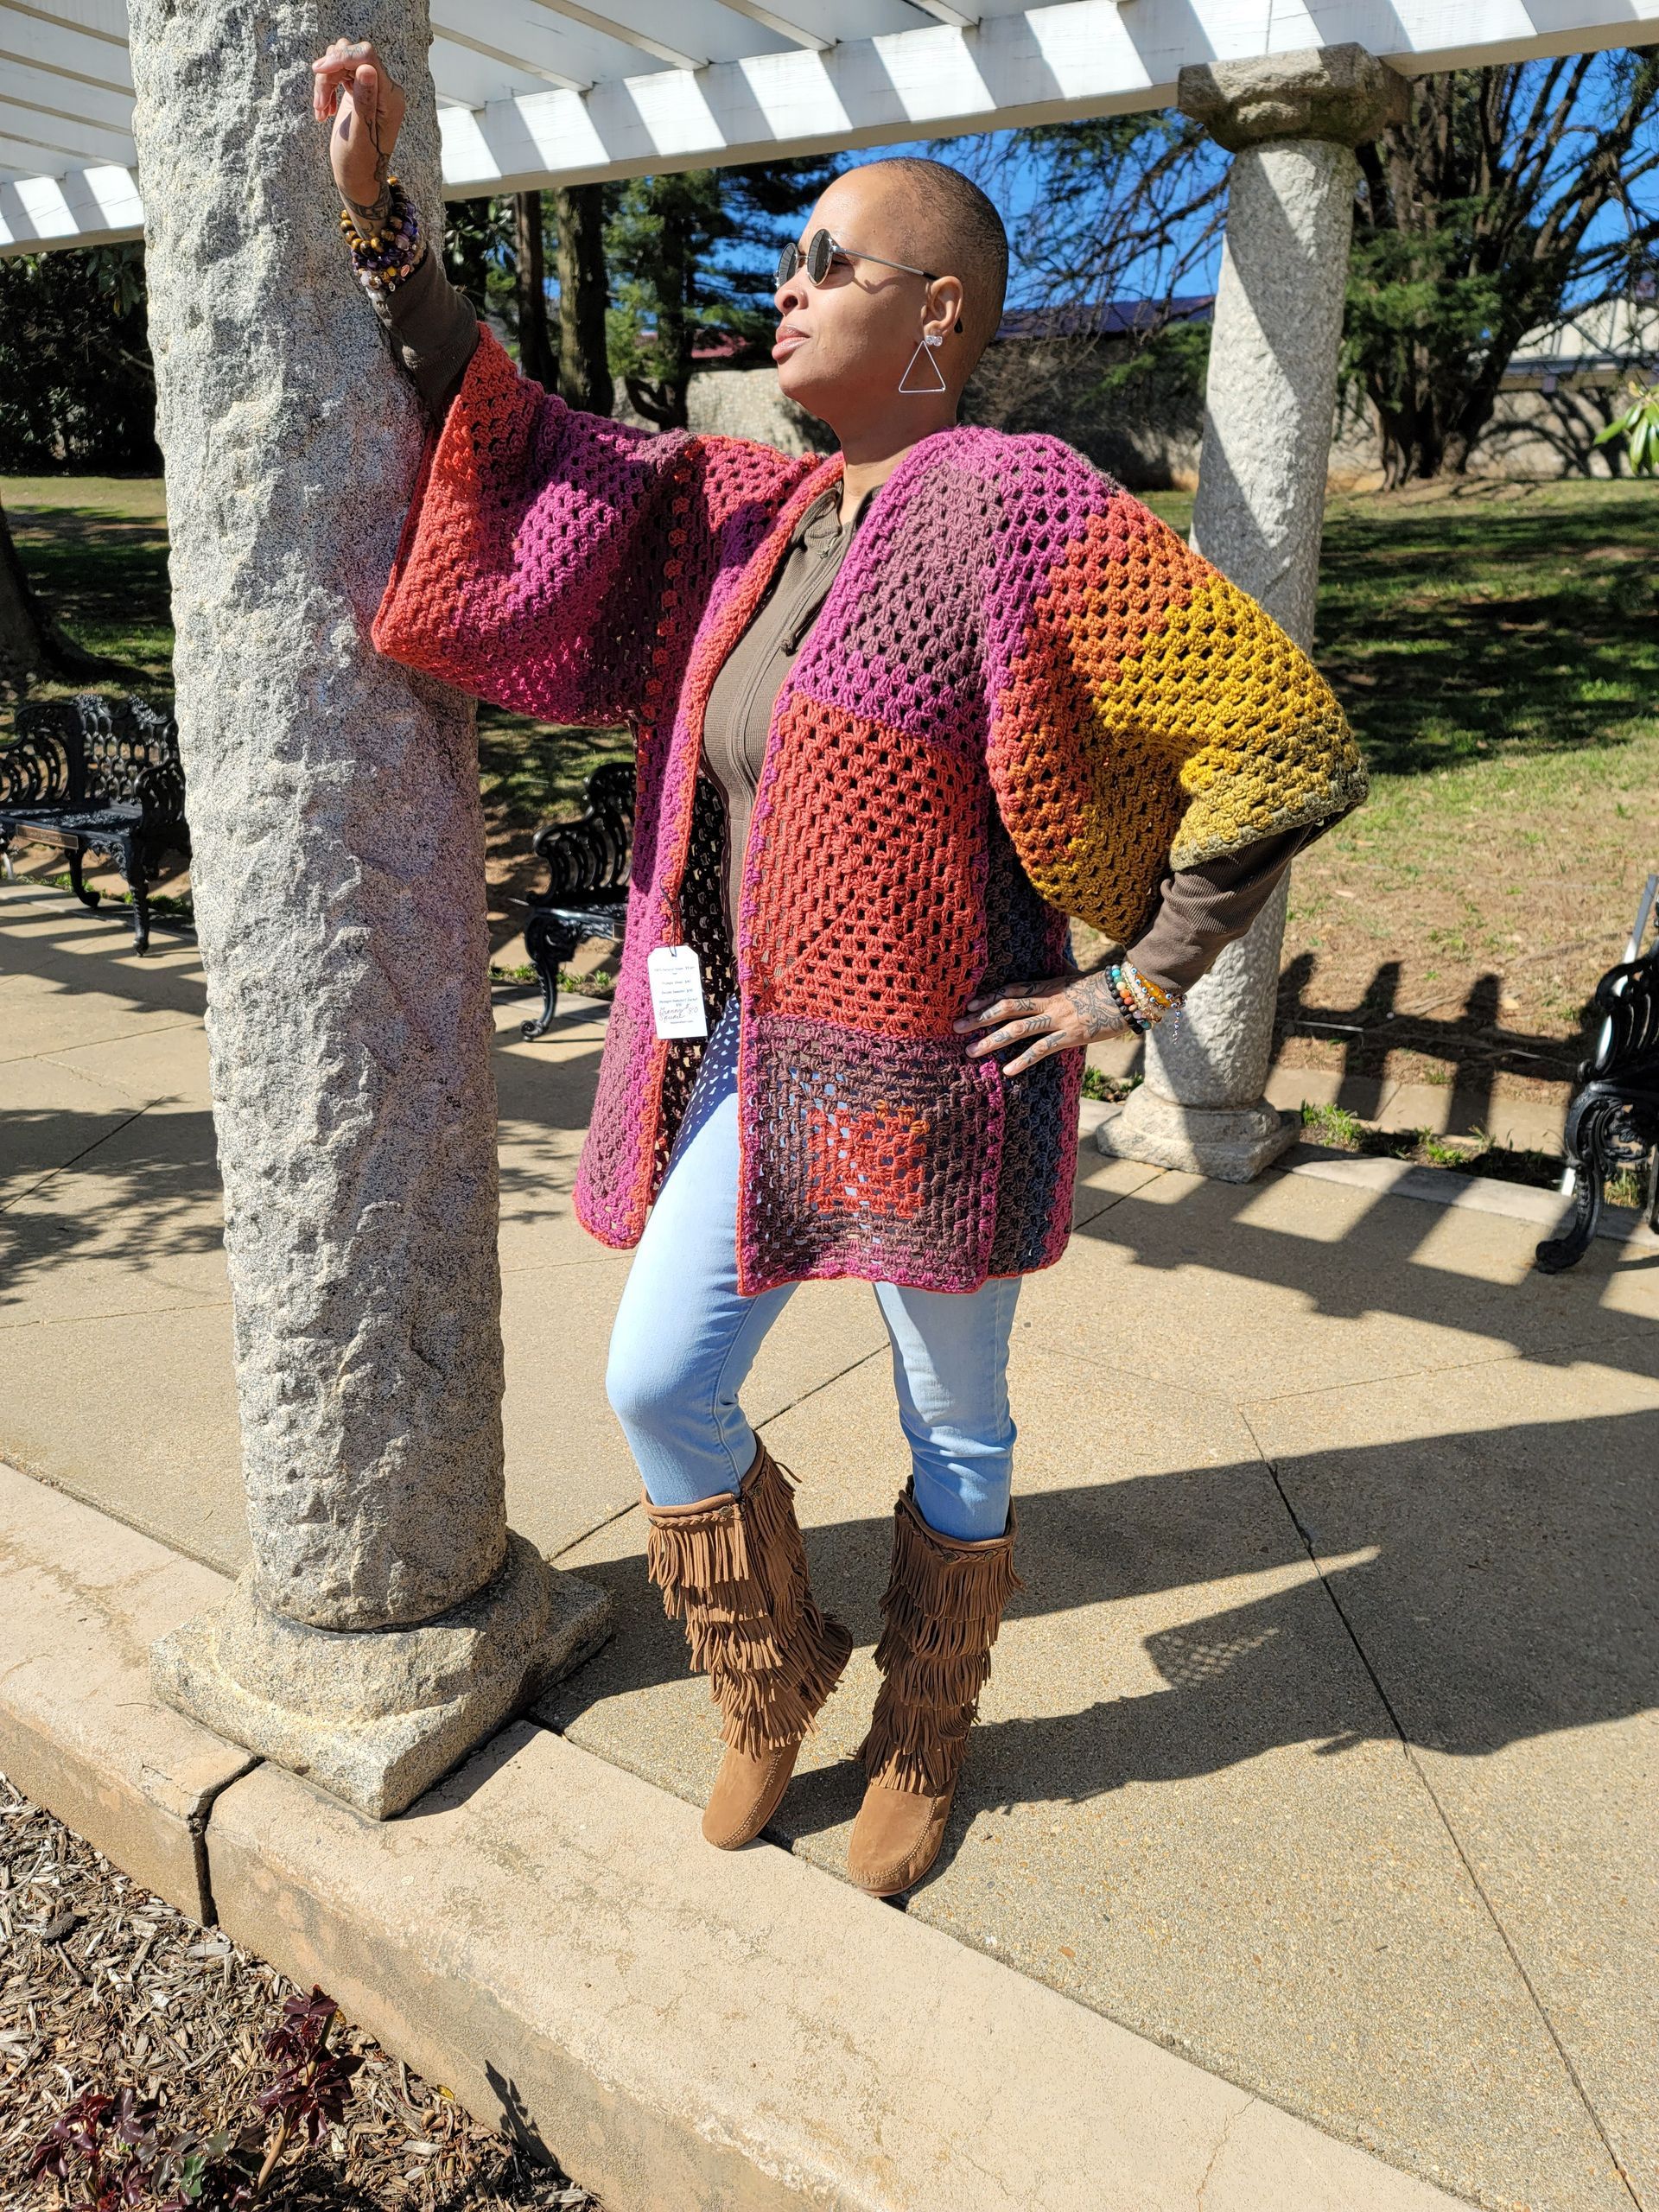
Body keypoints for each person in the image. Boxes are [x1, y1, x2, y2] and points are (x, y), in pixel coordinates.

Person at [313, 38, 1367, 1897]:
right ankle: (766, 1671)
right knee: (658, 1380)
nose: (783, 288)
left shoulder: (1011, 500)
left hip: (939, 1083)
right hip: (742, 1057)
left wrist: (1128, 986)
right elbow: (526, 435)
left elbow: (1277, 736)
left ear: (939, 313)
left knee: (952, 1417)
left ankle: (928, 1715)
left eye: (828, 262)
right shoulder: (750, 509)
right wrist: (386, 235)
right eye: (785, 263)